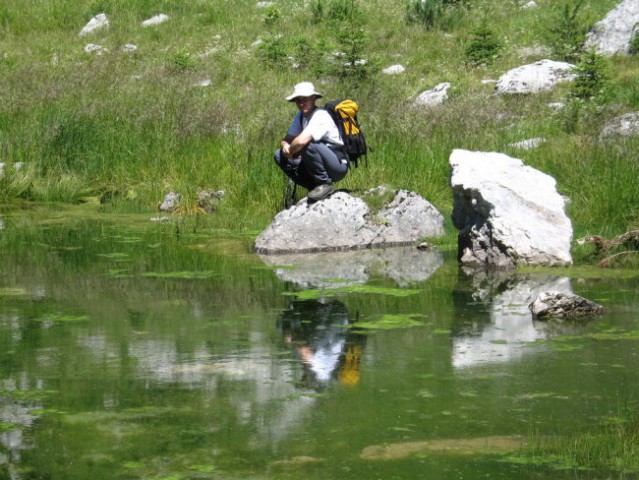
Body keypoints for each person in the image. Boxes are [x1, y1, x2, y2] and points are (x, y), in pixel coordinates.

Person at [274, 81, 348, 202]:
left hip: (337, 165)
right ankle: (313, 187)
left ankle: (324, 184)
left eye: (305, 99)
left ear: (313, 98)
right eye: (298, 100)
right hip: (320, 161)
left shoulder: (320, 115)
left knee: (308, 144)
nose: (301, 103)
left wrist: (291, 151)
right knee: (278, 155)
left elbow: (301, 142)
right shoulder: (300, 116)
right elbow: (287, 139)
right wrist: (285, 147)